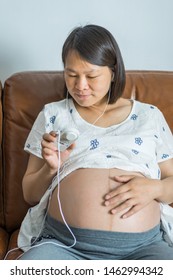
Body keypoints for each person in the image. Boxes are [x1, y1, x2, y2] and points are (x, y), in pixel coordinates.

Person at [18, 24, 173, 260]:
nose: (80, 86)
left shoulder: (149, 116)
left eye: (91, 76)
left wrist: (156, 188)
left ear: (113, 72)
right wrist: (50, 169)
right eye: (71, 75)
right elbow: (30, 194)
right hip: (63, 246)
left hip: (143, 250)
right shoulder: (52, 115)